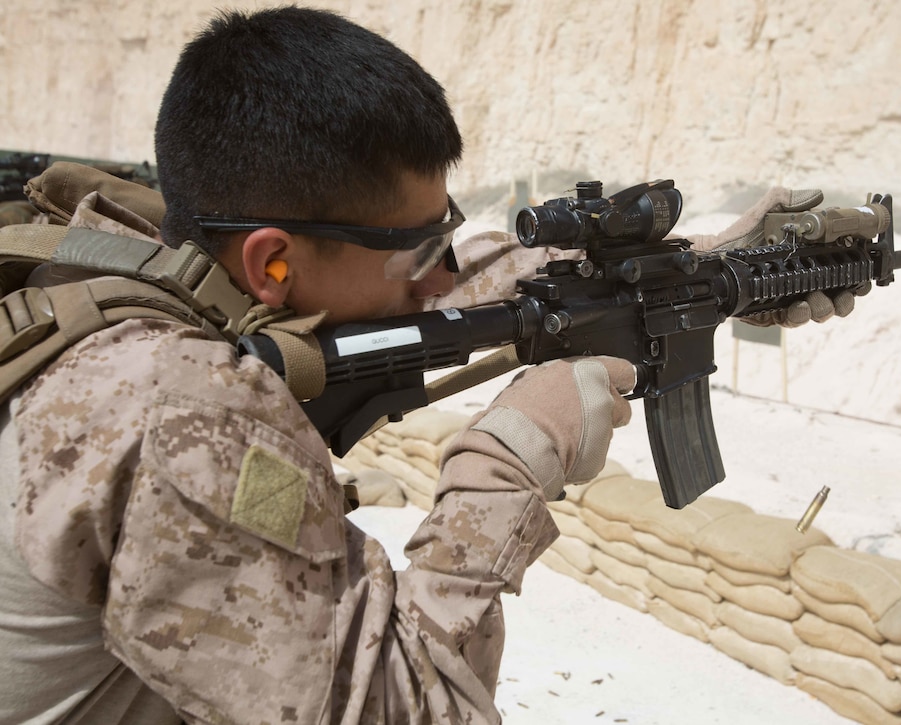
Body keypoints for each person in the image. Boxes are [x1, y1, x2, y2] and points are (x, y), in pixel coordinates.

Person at [0, 6, 634, 723]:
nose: (439, 273)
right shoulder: (181, 413)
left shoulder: (128, 260)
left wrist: (667, 270)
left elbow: (412, 281)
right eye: (421, 248)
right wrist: (508, 457)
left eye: (444, 232)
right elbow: (404, 707)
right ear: (271, 262)